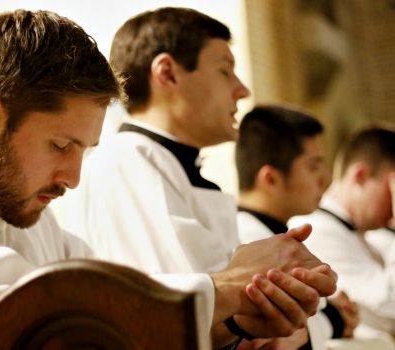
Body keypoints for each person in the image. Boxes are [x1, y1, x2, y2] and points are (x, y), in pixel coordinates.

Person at [0, 9, 335, 350]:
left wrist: (238, 322)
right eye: (60, 145)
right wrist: (226, 288)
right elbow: (14, 313)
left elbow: (132, 304)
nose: (73, 178)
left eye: (85, 150)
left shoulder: (34, 222)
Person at [54, 7, 336, 348]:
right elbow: (171, 317)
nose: (242, 90)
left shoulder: (166, 164)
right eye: (225, 71)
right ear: (168, 74)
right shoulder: (126, 161)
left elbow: (221, 316)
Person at [235, 105, 359, 349]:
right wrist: (332, 318)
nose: (325, 178)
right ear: (271, 179)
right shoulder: (247, 242)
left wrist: (331, 311)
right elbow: (283, 336)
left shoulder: (272, 233)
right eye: (313, 166)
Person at [291, 125, 395, 336]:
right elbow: (389, 309)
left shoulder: (371, 234)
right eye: (391, 188)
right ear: (361, 175)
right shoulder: (316, 230)